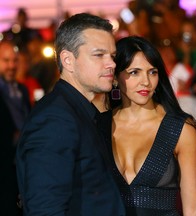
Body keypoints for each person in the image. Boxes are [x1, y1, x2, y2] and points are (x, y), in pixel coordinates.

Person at [16, 13, 125, 216]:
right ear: (67, 60)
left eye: (112, 56)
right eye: (99, 55)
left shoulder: (78, 111)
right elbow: (45, 209)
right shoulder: (55, 120)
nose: (111, 64)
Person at [108, 36, 196, 215]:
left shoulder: (181, 129)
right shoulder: (101, 125)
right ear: (115, 77)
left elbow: (194, 208)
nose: (145, 81)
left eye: (152, 72)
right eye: (134, 72)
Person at [0, 41, 26, 216]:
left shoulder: (21, 89)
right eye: (6, 60)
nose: (11, 65)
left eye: (14, 60)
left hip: (20, 164)